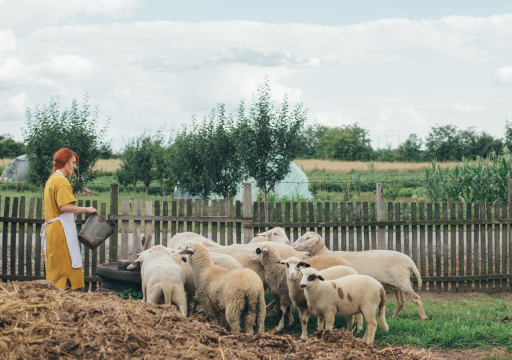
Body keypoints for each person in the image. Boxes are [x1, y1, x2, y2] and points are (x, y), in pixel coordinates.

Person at [41, 148, 97, 289]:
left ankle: (57, 299)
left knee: (57, 268)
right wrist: (86, 209)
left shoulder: (51, 180)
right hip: (61, 232)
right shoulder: (61, 181)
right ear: (65, 161)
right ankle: (65, 300)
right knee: (66, 268)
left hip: (53, 231)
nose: (74, 166)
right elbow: (64, 207)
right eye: (73, 162)